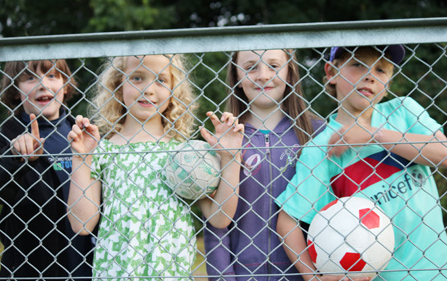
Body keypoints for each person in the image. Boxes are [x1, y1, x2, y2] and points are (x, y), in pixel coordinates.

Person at [276, 45, 447, 281]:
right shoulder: (321, 148)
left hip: (438, 271)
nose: (370, 76)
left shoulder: (404, 112)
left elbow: (444, 153)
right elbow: (288, 220)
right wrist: (312, 278)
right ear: (331, 72)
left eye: (381, 70)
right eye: (358, 65)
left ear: (388, 84)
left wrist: (373, 134)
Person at [66, 54, 244, 280]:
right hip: (116, 274)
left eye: (160, 80)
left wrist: (230, 158)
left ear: (173, 92)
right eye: (137, 78)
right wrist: (81, 159)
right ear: (118, 86)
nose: (148, 89)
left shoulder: (185, 154)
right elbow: (82, 224)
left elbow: (220, 218)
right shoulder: (102, 150)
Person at [204, 49, 324, 281]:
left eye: (273, 65)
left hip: (306, 274)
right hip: (242, 275)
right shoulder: (222, 139)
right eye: (250, 67)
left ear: (290, 73)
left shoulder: (316, 134)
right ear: (236, 76)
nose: (262, 75)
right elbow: (216, 226)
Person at [0, 60, 94, 280]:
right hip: (32, 269)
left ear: (66, 86)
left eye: (52, 76)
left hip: (88, 265)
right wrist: (15, 158)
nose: (43, 84)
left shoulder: (84, 135)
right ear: (15, 91)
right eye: (30, 78)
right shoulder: (6, 139)